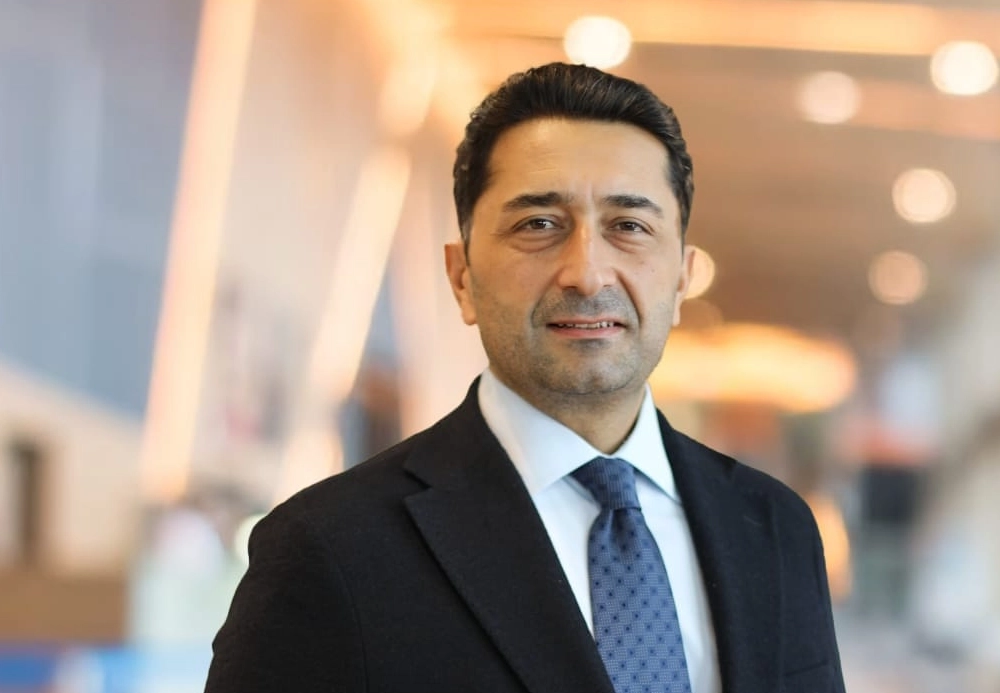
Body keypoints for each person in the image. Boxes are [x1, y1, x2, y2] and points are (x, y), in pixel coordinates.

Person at [204, 62, 846, 693]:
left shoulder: (776, 529)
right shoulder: (331, 549)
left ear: (681, 279)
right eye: (538, 225)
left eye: (629, 227)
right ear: (462, 278)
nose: (587, 274)